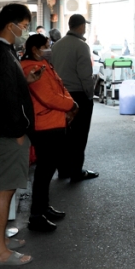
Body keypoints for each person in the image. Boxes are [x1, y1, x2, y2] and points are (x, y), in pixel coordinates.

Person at [0, 4, 38, 266]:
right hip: (8, 134)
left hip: (5, 132)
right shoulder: (0, 52)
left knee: (1, 189)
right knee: (4, 190)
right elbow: (5, 96)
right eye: (24, 23)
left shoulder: (3, 51)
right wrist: (18, 131)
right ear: (11, 25)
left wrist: (26, 81)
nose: (26, 29)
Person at [20, 34, 78, 233]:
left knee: (48, 168)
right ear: (35, 49)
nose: (49, 48)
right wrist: (71, 105)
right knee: (44, 171)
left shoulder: (43, 63)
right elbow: (48, 97)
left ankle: (43, 208)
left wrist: (70, 104)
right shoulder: (31, 68)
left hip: (54, 122)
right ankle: (36, 216)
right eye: (46, 46)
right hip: (44, 125)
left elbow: (60, 88)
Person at [47, 14, 98, 183]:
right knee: (79, 135)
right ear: (81, 26)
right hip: (78, 95)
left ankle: (63, 170)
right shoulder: (81, 46)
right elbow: (85, 76)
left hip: (60, 95)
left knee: (64, 133)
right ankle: (76, 172)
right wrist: (90, 96)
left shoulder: (56, 46)